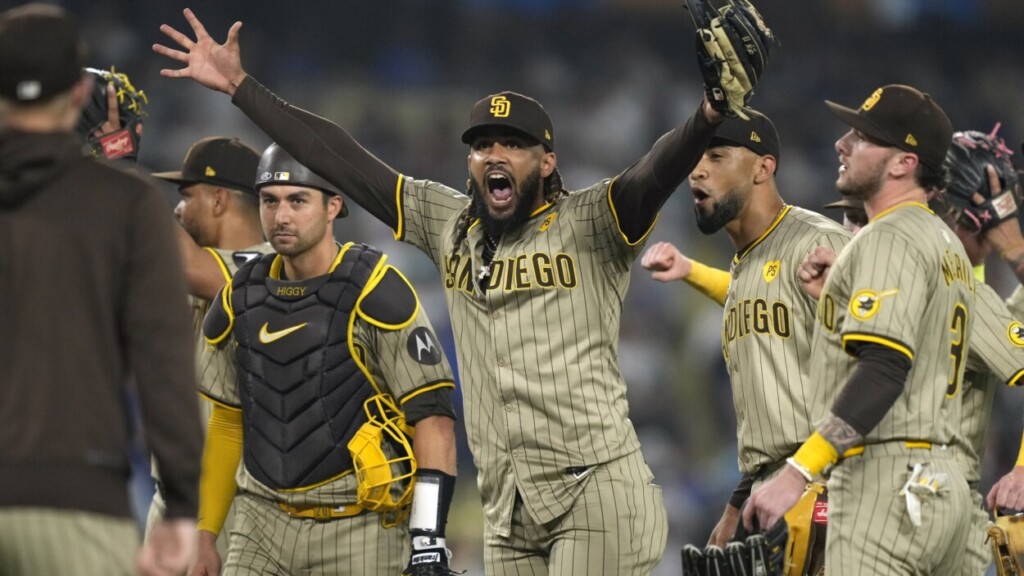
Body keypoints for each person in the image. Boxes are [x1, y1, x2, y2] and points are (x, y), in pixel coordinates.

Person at [151, 7, 751, 573]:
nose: (495, 153)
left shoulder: (592, 220)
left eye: (514, 143)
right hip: (506, 506)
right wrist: (241, 87)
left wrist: (708, 116)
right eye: (483, 144)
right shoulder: (446, 223)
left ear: (546, 163)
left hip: (594, 491)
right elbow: (339, 157)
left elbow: (654, 171)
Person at [0, 5, 202, 576]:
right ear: (72, 94)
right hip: (75, 496)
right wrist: (183, 506)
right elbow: (163, 363)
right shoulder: (124, 205)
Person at [196, 142, 460, 576]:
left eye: (298, 201)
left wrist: (428, 538)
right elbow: (227, 420)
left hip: (359, 527)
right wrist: (205, 535)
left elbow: (433, 417)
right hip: (260, 526)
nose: (281, 217)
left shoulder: (376, 290)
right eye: (270, 201)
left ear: (333, 206)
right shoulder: (239, 297)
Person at [745, 85, 974, 575]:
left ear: (903, 164)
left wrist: (797, 471)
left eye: (862, 137)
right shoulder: (943, 242)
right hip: (946, 483)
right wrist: (840, 292)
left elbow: (886, 366)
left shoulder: (887, 238)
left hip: (885, 483)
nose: (841, 144)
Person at [641, 110, 851, 551]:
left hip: (833, 487)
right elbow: (772, 419)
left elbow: (880, 371)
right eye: (695, 159)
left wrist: (818, 484)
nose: (697, 170)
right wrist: (739, 503)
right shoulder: (749, 262)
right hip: (775, 486)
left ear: (763, 167)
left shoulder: (818, 245)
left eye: (717, 156)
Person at [147, 136, 272, 557]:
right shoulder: (194, 267)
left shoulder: (273, 268)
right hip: (171, 497)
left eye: (187, 196)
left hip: (236, 507)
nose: (178, 210)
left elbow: (192, 267)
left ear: (219, 199)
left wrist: (120, 165)